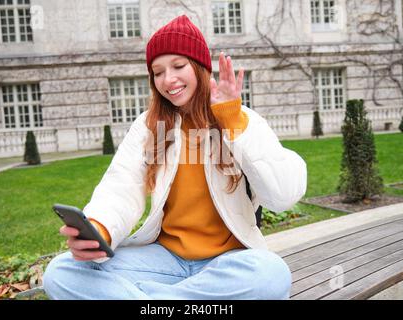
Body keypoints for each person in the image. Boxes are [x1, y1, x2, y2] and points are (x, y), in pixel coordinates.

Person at [43, 15, 307, 300]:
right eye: (158, 72)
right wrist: (99, 229)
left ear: (200, 67)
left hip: (227, 262)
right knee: (61, 271)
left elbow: (284, 195)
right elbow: (120, 188)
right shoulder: (148, 126)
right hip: (163, 261)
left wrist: (232, 121)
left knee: (270, 274)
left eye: (179, 66)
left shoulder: (241, 120)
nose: (168, 80)